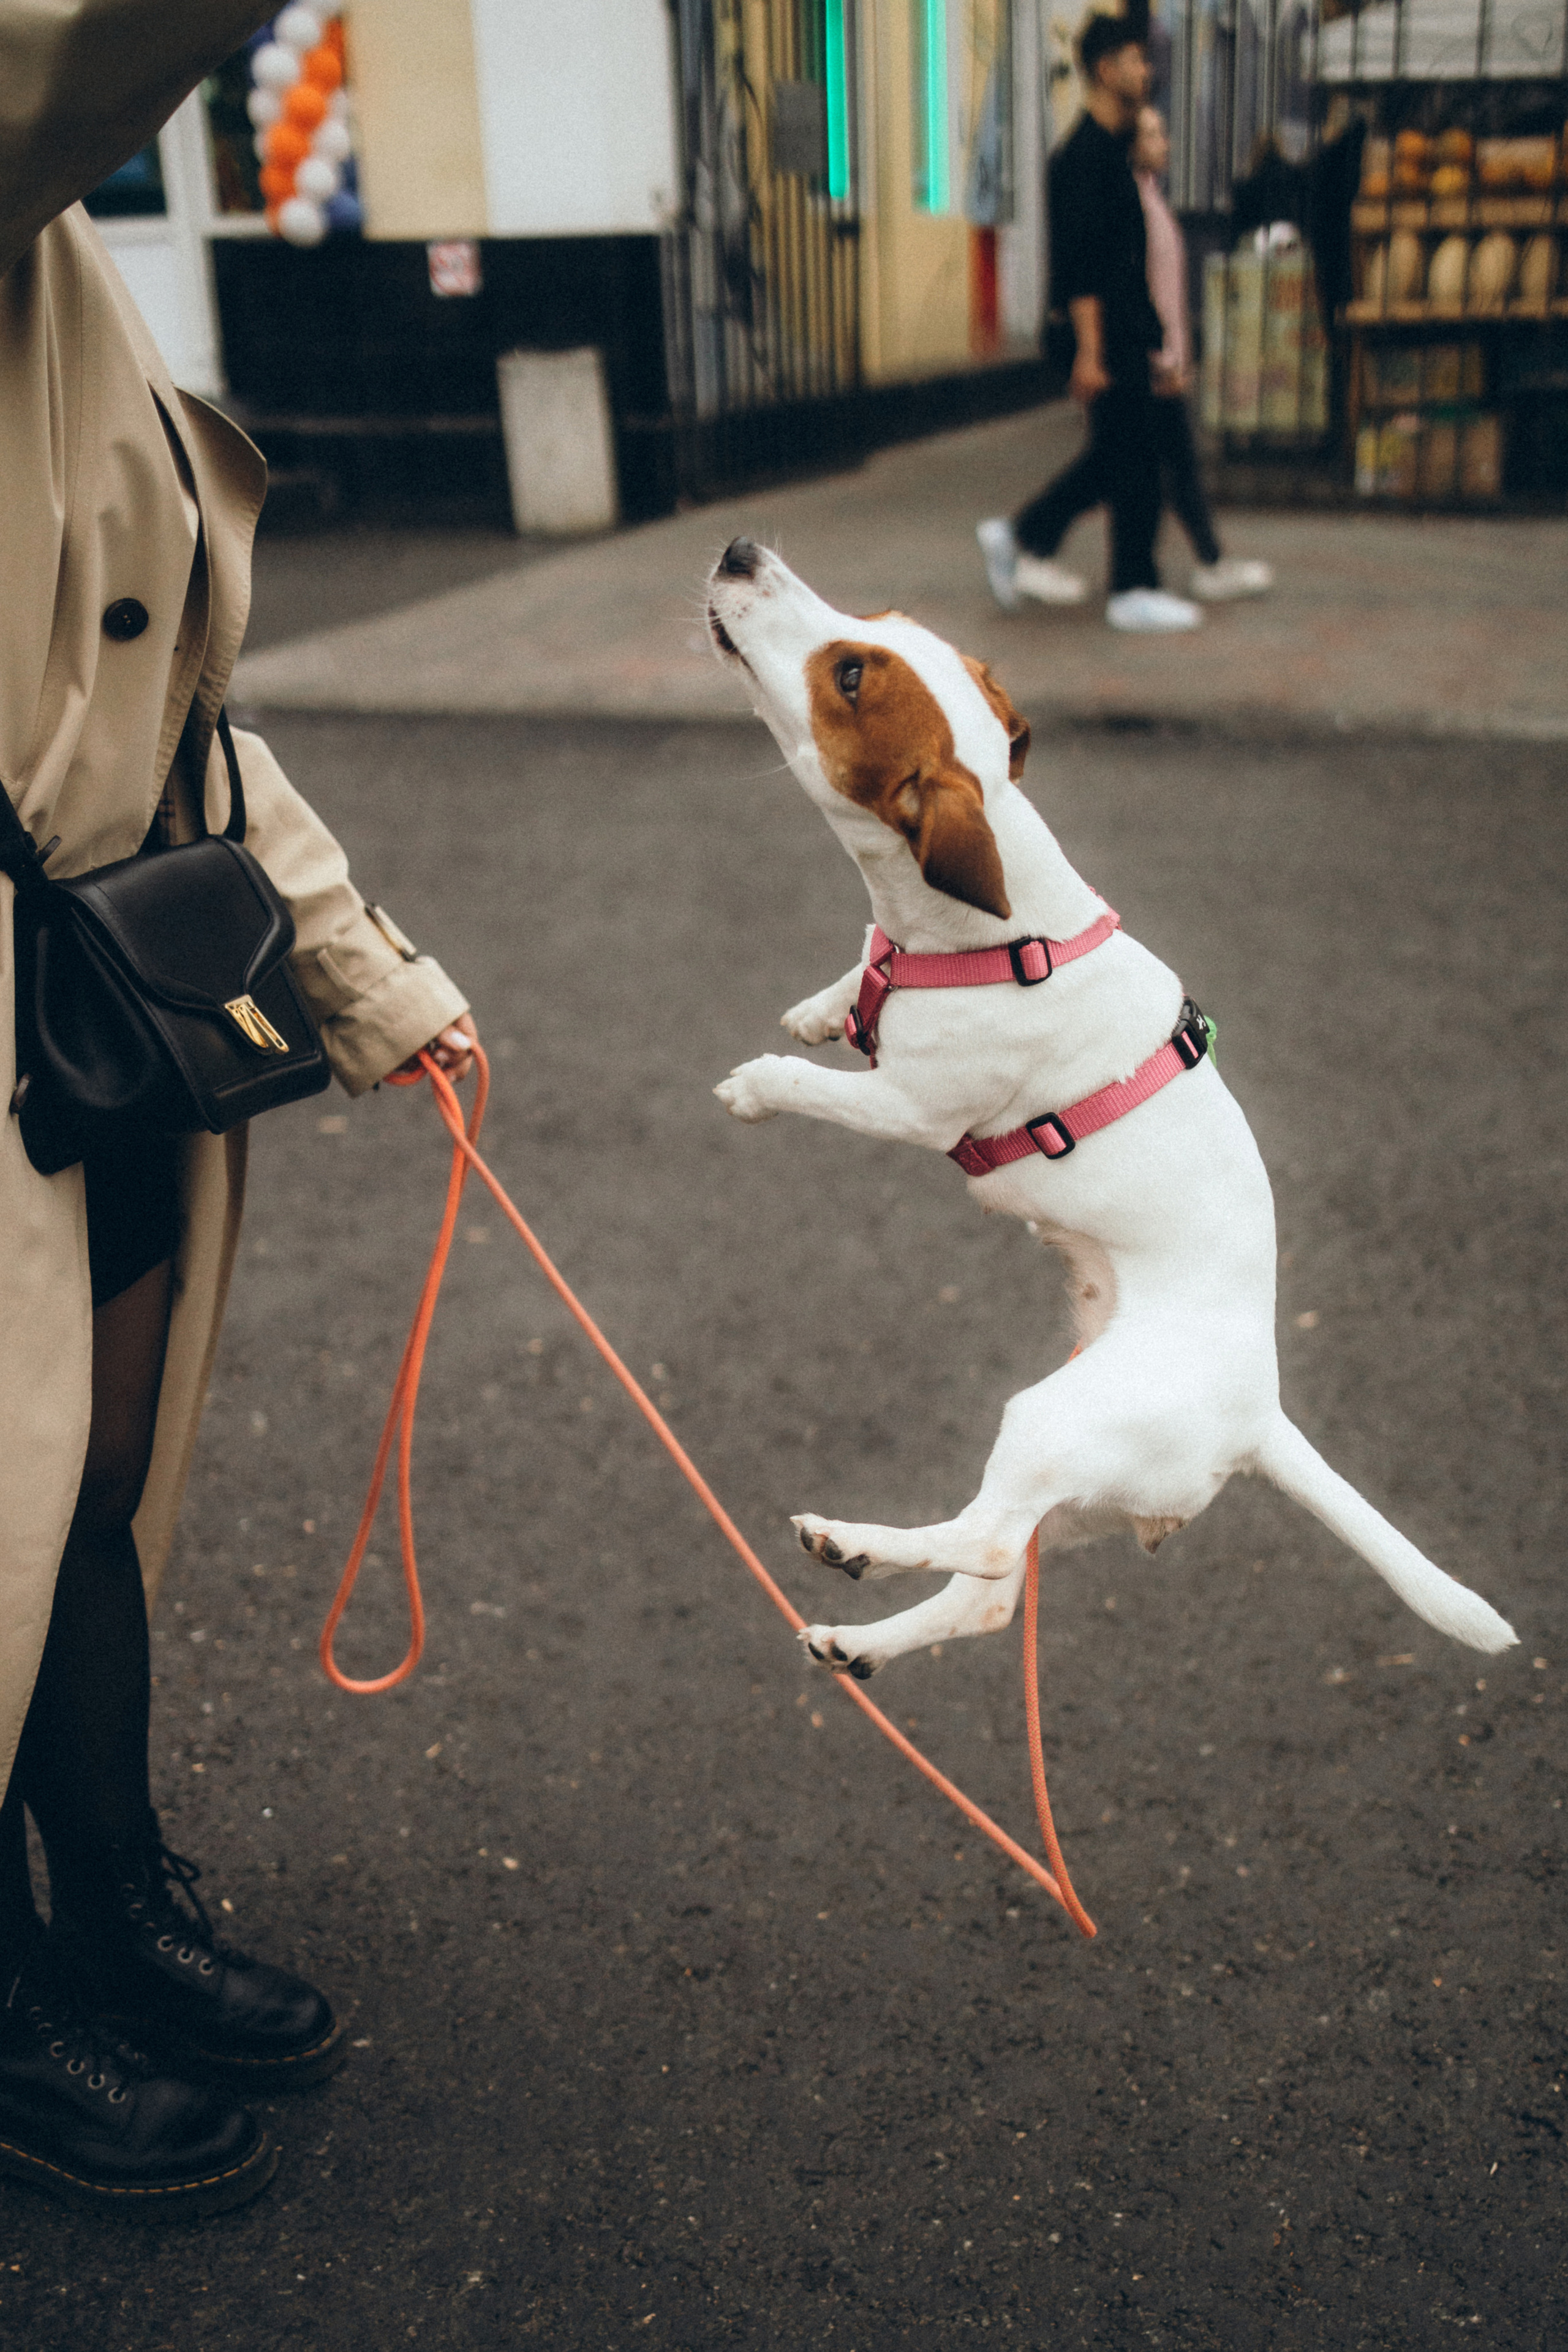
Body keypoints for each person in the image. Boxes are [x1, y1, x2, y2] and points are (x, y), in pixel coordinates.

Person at [1, 2, 477, 2217]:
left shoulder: (60, 243)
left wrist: (368, 977)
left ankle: (106, 1901)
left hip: (100, 1001)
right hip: (40, 1003)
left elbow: (179, 717)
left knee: (80, 1490)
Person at [977, 13, 1200, 633]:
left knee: (1120, 456)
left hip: (1129, 331)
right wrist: (1091, 353)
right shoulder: (1081, 158)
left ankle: (1022, 535)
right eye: (1136, 60)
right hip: (1104, 336)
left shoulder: (1111, 153)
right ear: (1105, 70)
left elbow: (1126, 261)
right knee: (1134, 462)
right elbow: (1082, 268)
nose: (1146, 71)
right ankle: (1131, 587)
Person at [1134, 106, 1273, 601]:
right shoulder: (1136, 205)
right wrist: (1163, 359)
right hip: (1154, 362)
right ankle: (1030, 538)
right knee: (1154, 469)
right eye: (1153, 135)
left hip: (1165, 358)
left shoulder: (1152, 197)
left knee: (1167, 468)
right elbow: (1143, 292)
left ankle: (1195, 564)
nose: (1166, 143)